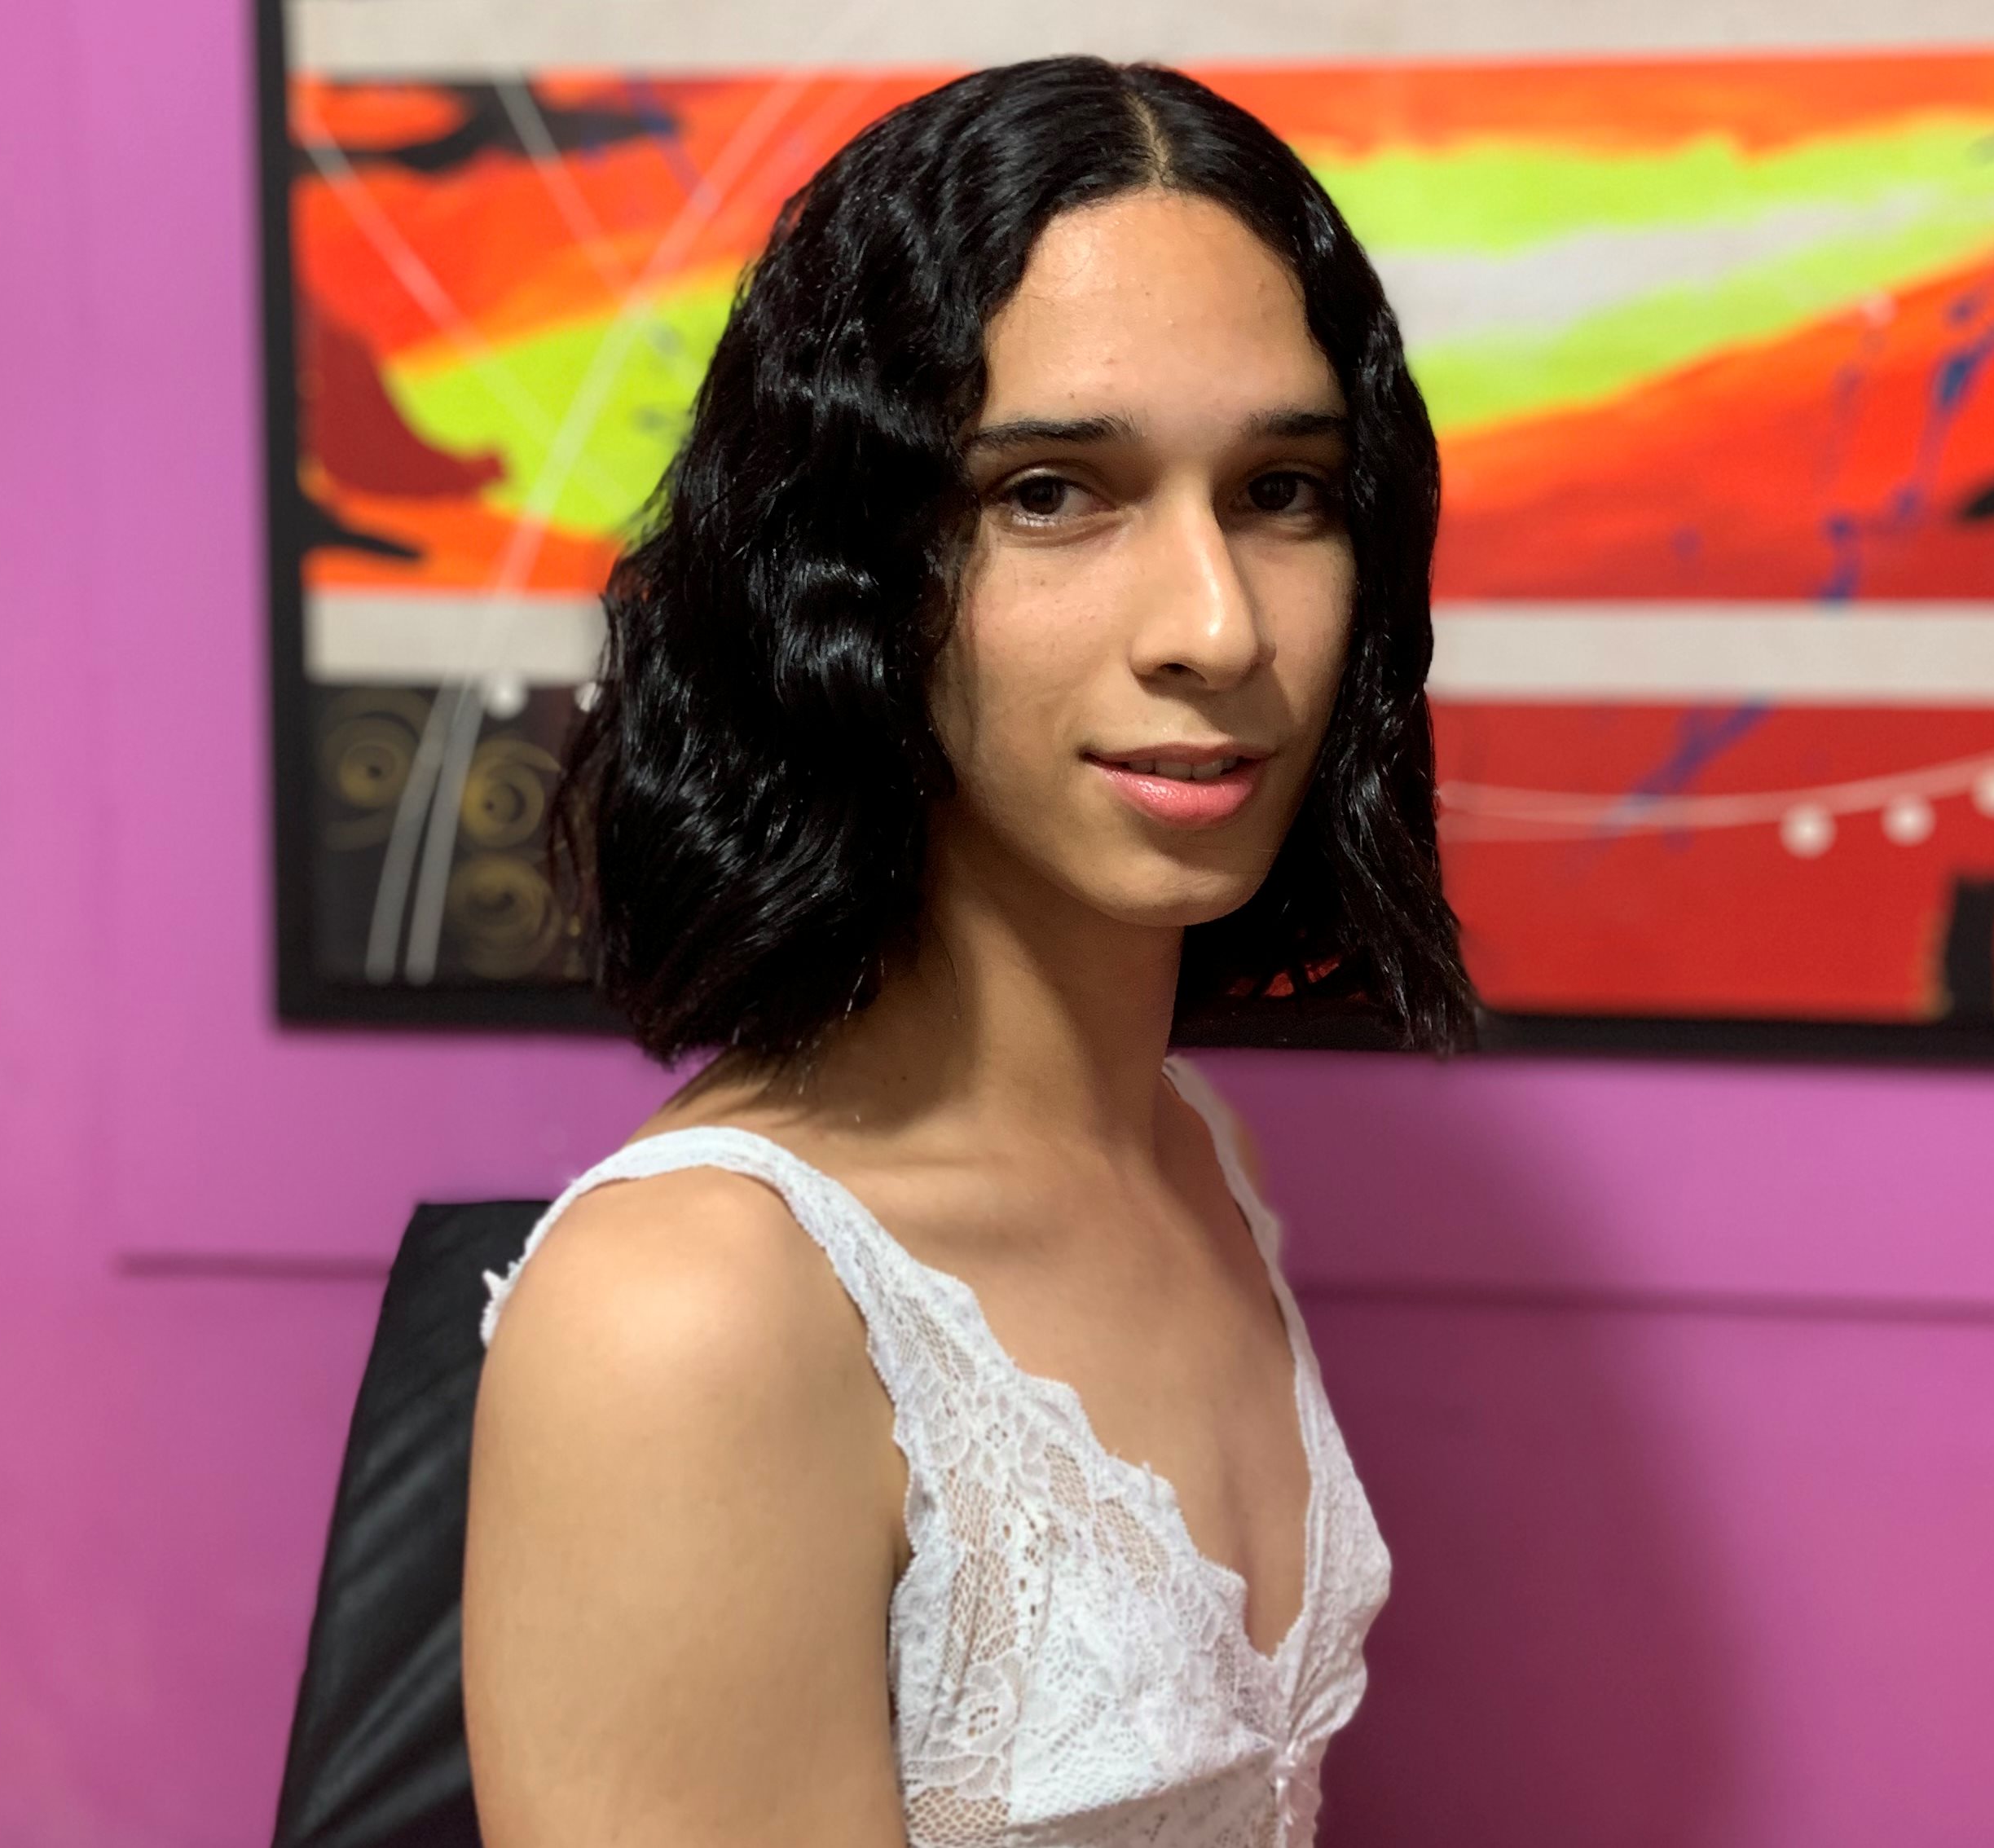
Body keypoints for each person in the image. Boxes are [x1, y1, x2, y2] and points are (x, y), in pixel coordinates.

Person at [461, 55, 1473, 1848]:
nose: (1216, 626)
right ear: (848, 577)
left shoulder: (1192, 1153)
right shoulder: (686, 1317)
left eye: (1284, 489)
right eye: (1053, 494)